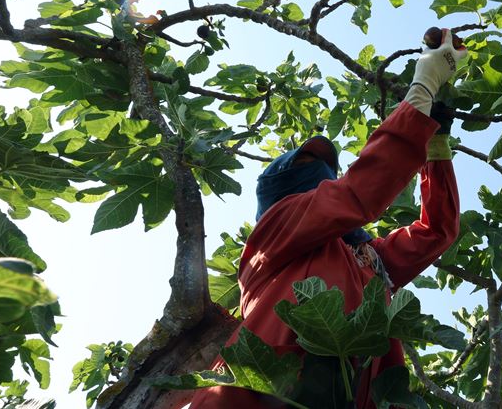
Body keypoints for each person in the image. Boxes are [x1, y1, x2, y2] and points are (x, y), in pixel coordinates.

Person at [189, 29, 466, 408]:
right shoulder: (277, 228)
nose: (322, 174)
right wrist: (423, 87)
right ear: (279, 193)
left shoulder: (369, 258)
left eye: (326, 169)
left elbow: (437, 232)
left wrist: (436, 147)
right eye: (306, 167)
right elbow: (358, 193)